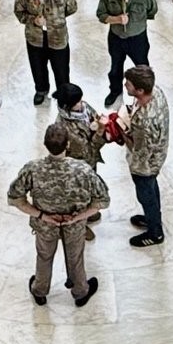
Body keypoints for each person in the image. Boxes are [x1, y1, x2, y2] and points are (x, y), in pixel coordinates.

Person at [8, 122, 108, 307]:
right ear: (68, 145)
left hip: (45, 225)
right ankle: (80, 291)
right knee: (75, 257)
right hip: (75, 226)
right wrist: (78, 217)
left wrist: (42, 216)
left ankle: (40, 290)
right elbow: (102, 201)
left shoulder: (33, 169)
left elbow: (16, 198)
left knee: (44, 256)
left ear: (45, 145)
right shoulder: (84, 170)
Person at [117, 66, 170, 248]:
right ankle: (152, 217)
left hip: (145, 166)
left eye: (129, 84)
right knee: (152, 190)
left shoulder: (145, 122)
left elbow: (139, 150)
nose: (125, 85)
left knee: (146, 195)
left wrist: (121, 130)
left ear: (139, 90)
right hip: (158, 154)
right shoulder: (156, 91)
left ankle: (155, 233)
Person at [13, 0, 77, 104]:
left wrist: (55, 20)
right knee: (38, 67)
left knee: (61, 69)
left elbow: (72, 8)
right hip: (35, 38)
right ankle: (41, 90)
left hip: (57, 37)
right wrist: (32, 20)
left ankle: (63, 94)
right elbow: (19, 12)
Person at [97, 0, 158, 107]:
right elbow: (101, 15)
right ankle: (115, 91)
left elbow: (152, 11)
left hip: (137, 39)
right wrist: (116, 19)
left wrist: (136, 24)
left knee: (142, 68)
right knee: (115, 68)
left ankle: (145, 95)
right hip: (116, 38)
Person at [53, 82, 107, 240]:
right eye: (77, 102)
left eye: (81, 99)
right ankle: (78, 226)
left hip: (89, 163)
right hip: (78, 169)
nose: (81, 104)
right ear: (67, 106)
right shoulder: (65, 128)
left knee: (89, 193)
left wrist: (98, 122)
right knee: (79, 199)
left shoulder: (83, 108)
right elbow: (89, 147)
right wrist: (101, 131)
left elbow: (92, 115)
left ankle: (88, 215)